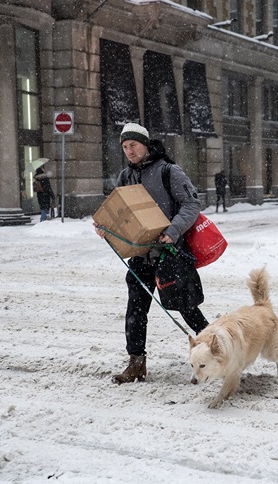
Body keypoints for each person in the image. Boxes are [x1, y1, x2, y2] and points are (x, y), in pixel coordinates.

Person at [94, 122, 209, 384]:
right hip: (140, 257)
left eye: (133, 145)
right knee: (135, 310)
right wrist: (106, 229)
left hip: (170, 254)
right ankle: (136, 364)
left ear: (145, 144)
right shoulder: (125, 176)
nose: (129, 151)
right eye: (124, 147)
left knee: (187, 309)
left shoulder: (169, 171)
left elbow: (191, 204)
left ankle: (219, 350)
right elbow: (120, 216)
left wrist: (173, 230)